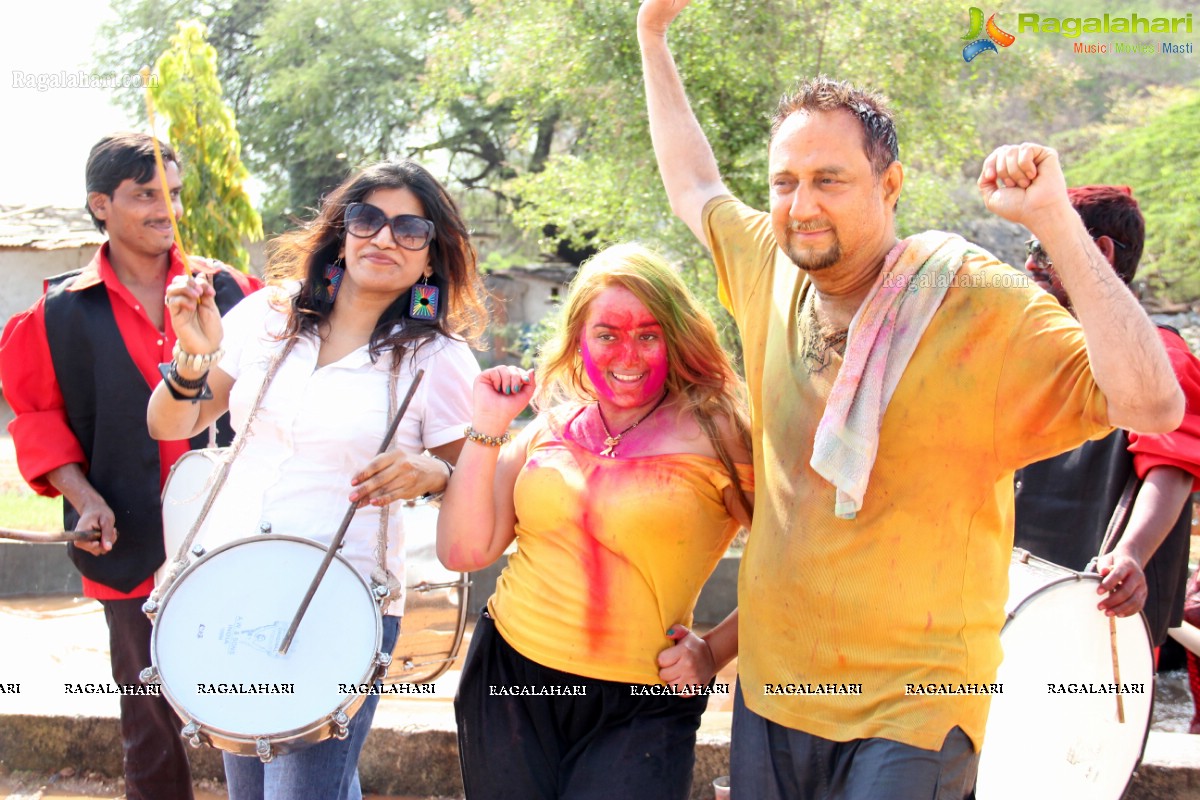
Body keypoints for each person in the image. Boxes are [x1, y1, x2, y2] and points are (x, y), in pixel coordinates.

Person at [637, 1, 1184, 797]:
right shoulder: (771, 267)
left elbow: (1152, 405)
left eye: (830, 179)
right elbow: (694, 182)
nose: (801, 204)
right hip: (775, 690)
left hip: (914, 709)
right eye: (785, 182)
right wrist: (652, 36)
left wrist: (1056, 224)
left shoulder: (978, 303)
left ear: (890, 184)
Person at [145, 159, 488, 800]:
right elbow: (171, 423)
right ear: (341, 232)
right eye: (369, 220)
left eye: (410, 229)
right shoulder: (268, 317)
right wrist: (193, 354)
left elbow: (477, 482)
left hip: (341, 604)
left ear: (432, 257)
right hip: (230, 583)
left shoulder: (436, 358)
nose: (385, 239)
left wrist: (433, 471)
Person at [437, 243, 754, 800]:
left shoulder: (720, 434)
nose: (626, 354)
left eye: (648, 335)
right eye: (607, 334)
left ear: (676, 339)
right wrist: (487, 425)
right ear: (580, 340)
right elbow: (464, 550)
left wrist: (714, 650)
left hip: (642, 701)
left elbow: (794, 560)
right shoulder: (547, 430)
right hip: (508, 677)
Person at [0, 132, 259, 800]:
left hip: (234, 535)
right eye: (145, 195)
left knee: (259, 699)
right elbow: (37, 419)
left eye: (172, 194)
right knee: (148, 720)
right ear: (100, 205)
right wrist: (84, 497)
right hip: (129, 542)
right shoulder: (56, 314)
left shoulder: (233, 291)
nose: (163, 210)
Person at [1014, 185, 1200, 651]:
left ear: (1100, 252)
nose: (1030, 263)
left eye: (1044, 247)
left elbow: (1170, 469)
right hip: (1016, 591)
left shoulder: (1159, 356)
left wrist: (1132, 554)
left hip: (1102, 602)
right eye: (1029, 247)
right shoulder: (1042, 347)